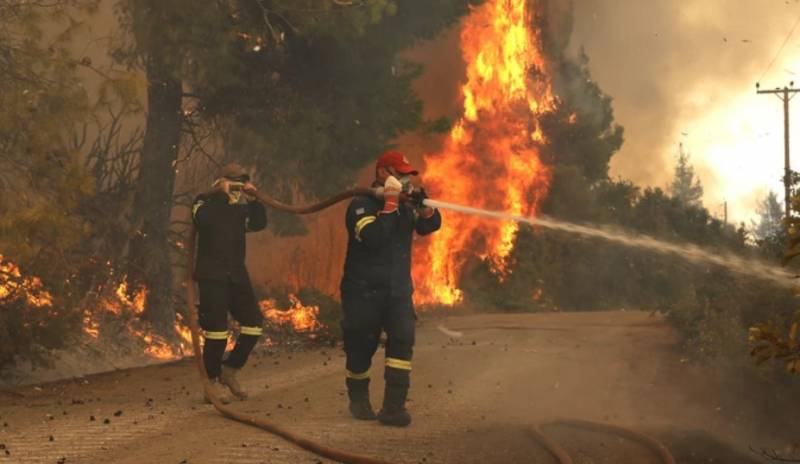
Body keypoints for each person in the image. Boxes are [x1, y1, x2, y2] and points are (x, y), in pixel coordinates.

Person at [340, 150, 442, 427]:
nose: (406, 181)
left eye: (408, 176)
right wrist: (389, 205)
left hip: (398, 291)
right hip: (363, 292)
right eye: (400, 175)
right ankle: (359, 399)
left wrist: (425, 208)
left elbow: (430, 225)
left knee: (402, 341)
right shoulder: (361, 205)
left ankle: (393, 408)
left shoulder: (403, 205)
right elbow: (373, 238)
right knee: (360, 349)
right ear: (383, 174)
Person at [191, 163, 267, 403]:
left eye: (241, 181)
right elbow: (203, 221)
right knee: (216, 333)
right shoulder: (204, 202)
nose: (237, 186)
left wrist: (254, 201)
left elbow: (258, 223)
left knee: (254, 323)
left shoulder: (238, 209)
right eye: (234, 181)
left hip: (236, 275)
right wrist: (222, 196)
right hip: (212, 276)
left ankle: (230, 370)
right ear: (221, 181)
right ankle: (211, 383)